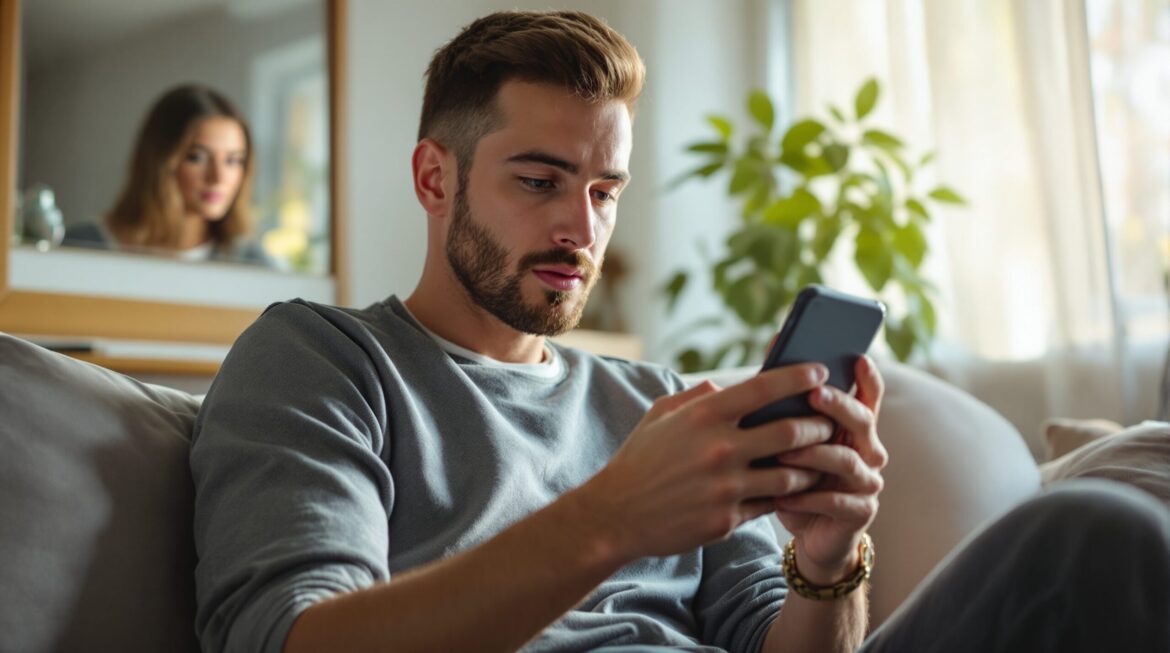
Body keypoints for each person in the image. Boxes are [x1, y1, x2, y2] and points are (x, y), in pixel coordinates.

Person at [190, 10, 1170, 653]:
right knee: (1093, 531)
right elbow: (295, 641)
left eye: (604, 190)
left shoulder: (652, 402)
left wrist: (828, 557)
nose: (583, 227)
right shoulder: (320, 359)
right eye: (539, 181)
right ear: (435, 178)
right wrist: (616, 513)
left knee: (1109, 534)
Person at [63, 83, 269, 265]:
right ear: (161, 161)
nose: (218, 177)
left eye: (233, 160)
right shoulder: (84, 244)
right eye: (197, 158)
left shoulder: (251, 262)